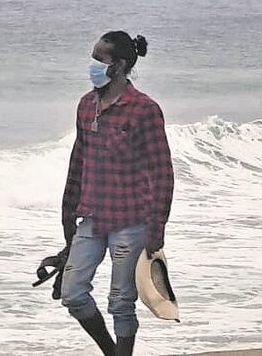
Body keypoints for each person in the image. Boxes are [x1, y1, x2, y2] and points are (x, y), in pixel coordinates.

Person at [59, 31, 175, 356]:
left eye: (100, 58)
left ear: (119, 65)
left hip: (131, 220)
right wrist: (68, 219)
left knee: (121, 302)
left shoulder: (144, 110)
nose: (93, 65)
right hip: (92, 218)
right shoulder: (86, 106)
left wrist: (157, 231)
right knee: (72, 293)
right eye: (93, 57)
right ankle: (111, 352)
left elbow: (162, 172)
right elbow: (77, 163)